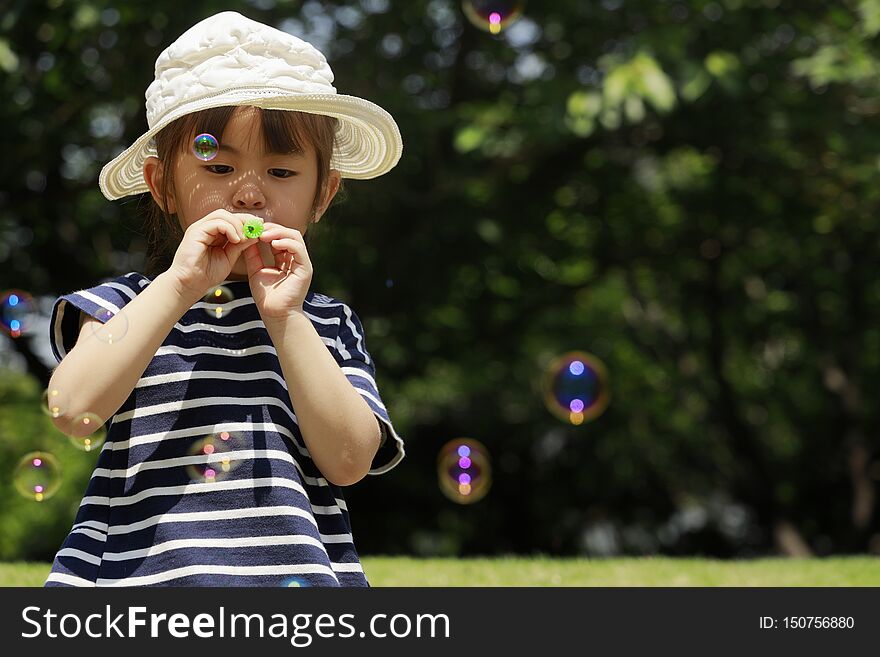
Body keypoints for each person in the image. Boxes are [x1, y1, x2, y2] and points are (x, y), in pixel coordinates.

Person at [44, 11, 405, 587]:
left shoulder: (326, 323)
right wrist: (180, 285)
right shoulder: (121, 306)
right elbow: (71, 407)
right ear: (161, 184)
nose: (250, 192)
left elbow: (349, 461)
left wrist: (285, 319)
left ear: (324, 193)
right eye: (219, 166)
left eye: (282, 171)